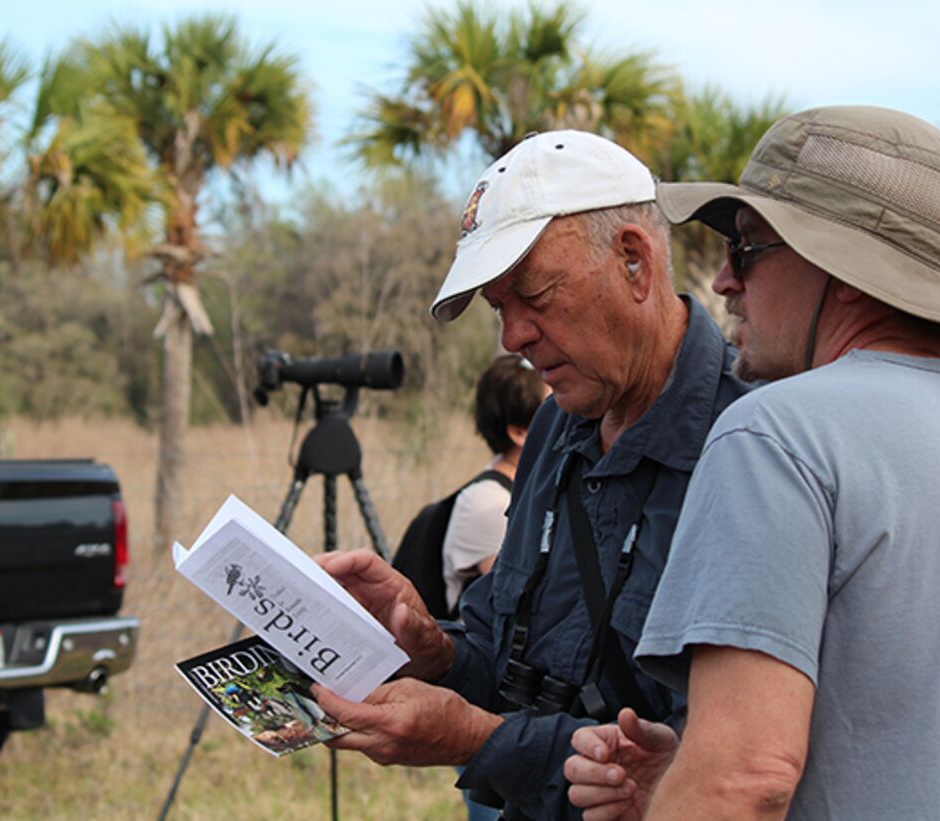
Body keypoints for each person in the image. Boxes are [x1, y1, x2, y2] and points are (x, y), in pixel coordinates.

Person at [565, 105, 940, 819]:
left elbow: (744, 780)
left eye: (747, 248)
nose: (723, 281)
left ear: (845, 268)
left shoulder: (775, 433)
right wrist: (683, 769)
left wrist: (707, 779)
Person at [312, 130, 752, 819]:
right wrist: (430, 646)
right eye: (497, 309)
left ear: (634, 260)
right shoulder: (555, 425)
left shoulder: (752, 442)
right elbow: (507, 650)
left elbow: (720, 761)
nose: (511, 337)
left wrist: (478, 738)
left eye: (535, 295)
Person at [443, 354, 547, 617]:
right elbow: (523, 604)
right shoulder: (490, 504)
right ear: (519, 433)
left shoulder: (530, 487)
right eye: (551, 408)